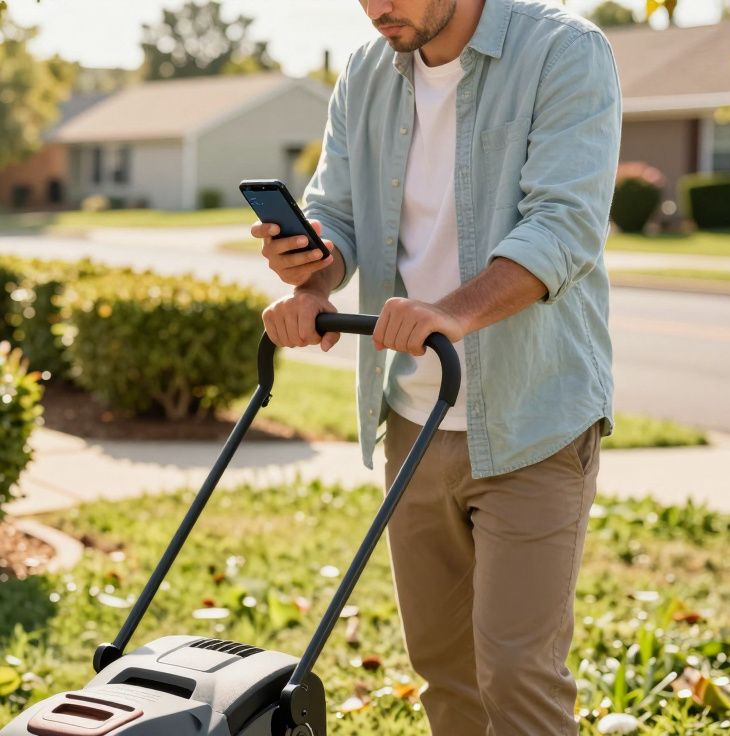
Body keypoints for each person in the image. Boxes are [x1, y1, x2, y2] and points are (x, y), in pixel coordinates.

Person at [254, 0, 620, 733]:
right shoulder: (365, 70)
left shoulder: (564, 52)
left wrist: (452, 312)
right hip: (412, 422)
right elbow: (341, 213)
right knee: (445, 673)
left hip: (532, 421)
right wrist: (312, 274)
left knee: (519, 677)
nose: (377, 7)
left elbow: (564, 225)